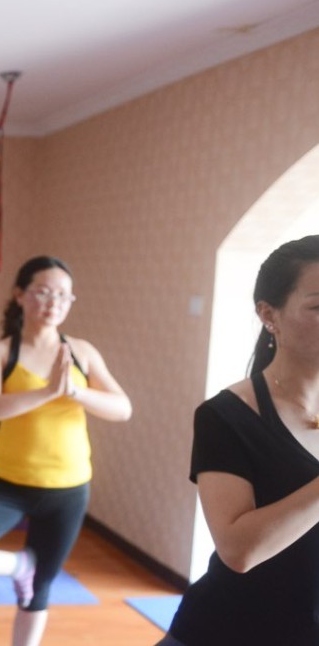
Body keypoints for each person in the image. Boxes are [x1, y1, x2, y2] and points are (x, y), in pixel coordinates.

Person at [0, 256, 132, 646]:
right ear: (20, 296)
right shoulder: (2, 352)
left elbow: (123, 408)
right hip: (8, 486)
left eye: (62, 295)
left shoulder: (82, 352)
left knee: (40, 591)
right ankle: (19, 564)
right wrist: (47, 392)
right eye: (42, 291)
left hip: (68, 491)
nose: (53, 302)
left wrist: (75, 390)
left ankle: (28, 586)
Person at [160, 236, 319, 646]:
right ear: (270, 315)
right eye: (318, 306)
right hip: (230, 629)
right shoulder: (226, 416)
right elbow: (239, 551)